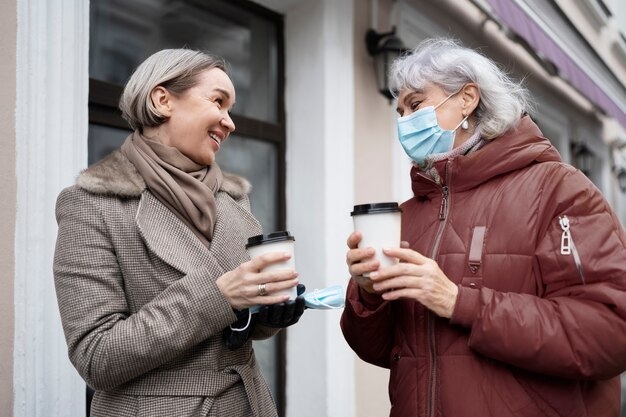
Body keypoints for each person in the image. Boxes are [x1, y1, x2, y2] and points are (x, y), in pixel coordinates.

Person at [341, 38, 626, 417]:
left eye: (415, 104)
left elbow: (608, 333)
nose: (403, 123)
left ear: (467, 99)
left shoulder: (558, 189)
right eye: (399, 111)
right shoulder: (409, 212)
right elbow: (385, 352)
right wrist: (369, 296)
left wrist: (460, 302)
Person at [53, 49, 304, 417]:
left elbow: (229, 333)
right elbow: (96, 356)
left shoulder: (234, 200)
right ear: (162, 99)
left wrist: (266, 316)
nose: (229, 122)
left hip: (247, 403)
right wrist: (219, 296)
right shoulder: (91, 204)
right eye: (218, 101)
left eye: (230, 109)